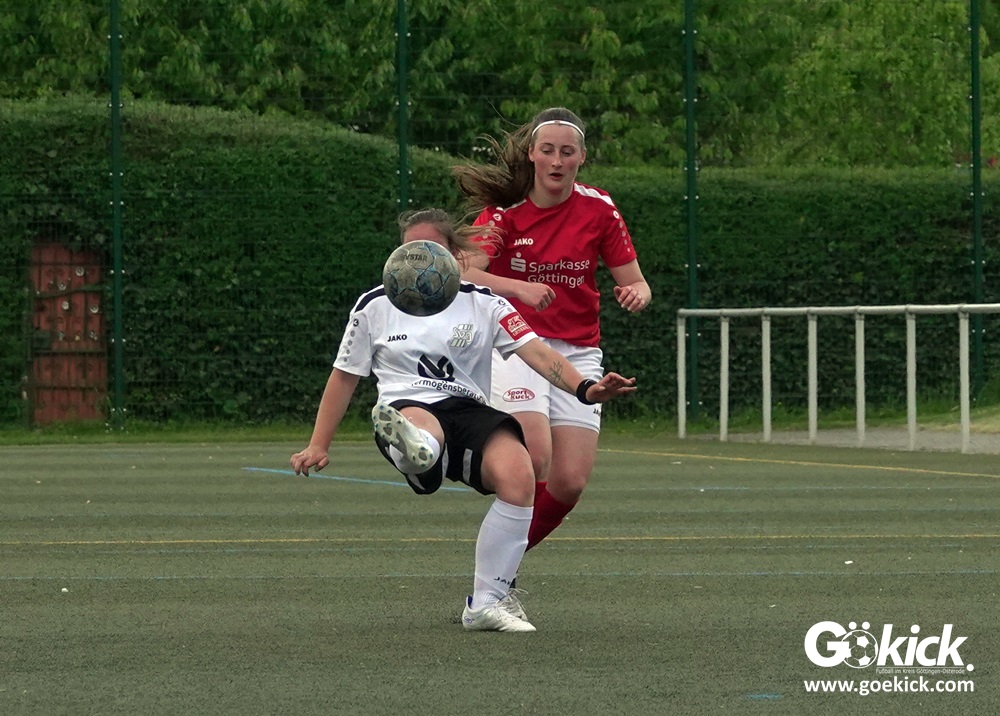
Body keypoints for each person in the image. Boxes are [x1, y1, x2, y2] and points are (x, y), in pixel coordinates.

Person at [290, 208, 636, 633]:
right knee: (421, 426)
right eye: (409, 251)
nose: (417, 263)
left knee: (520, 475)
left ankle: (485, 604)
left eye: (430, 251)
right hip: (410, 403)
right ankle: (415, 451)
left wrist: (586, 389)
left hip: (471, 410)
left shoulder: (487, 303)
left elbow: (539, 354)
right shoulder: (375, 305)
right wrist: (318, 444)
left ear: (456, 256)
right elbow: (344, 376)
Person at [453, 107, 652, 554]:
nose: (557, 161)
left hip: (578, 350)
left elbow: (637, 282)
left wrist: (637, 294)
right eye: (548, 150)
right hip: (516, 345)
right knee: (535, 455)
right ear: (532, 154)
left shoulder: (599, 208)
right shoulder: (504, 214)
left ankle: (501, 569)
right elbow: (465, 273)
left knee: (570, 481)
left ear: (582, 157)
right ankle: (453, 453)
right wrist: (518, 288)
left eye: (567, 152)